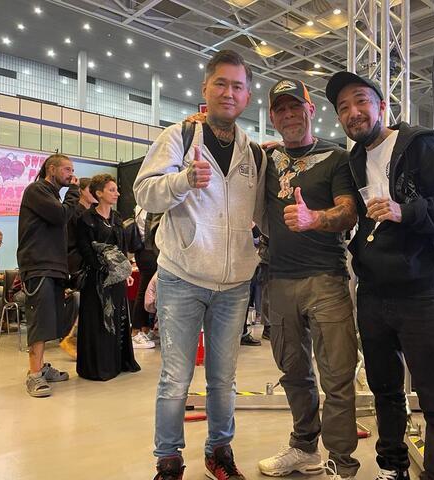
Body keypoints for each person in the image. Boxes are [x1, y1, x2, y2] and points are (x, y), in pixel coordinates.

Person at [326, 71, 434, 480]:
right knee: (385, 392)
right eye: (343, 108)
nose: (353, 113)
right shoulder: (354, 159)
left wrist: (405, 211)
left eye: (360, 101)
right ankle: (392, 467)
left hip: (420, 293)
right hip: (373, 294)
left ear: (381, 105)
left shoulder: (420, 146)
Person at [134, 49, 265, 480]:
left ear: (247, 97)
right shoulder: (178, 137)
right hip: (182, 278)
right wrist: (183, 181)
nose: (229, 92)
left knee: (223, 379)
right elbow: (145, 192)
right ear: (205, 89)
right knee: (175, 377)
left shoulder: (255, 155)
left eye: (238, 86)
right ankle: (168, 460)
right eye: (221, 83)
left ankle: (219, 452)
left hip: (234, 285)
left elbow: (263, 215)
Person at [258, 79, 360, 480]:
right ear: (272, 116)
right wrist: (198, 121)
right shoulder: (266, 158)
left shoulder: (336, 158)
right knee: (293, 372)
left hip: (326, 280)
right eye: (280, 109)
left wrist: (314, 218)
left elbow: (349, 212)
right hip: (280, 280)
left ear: (311, 109)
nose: (289, 115)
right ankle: (304, 447)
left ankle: (341, 462)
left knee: (337, 376)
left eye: (295, 107)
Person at [17, 154, 80, 398]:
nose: (71, 174)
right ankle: (34, 374)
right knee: (39, 321)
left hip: (53, 266)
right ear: (51, 169)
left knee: (52, 321)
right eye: (66, 169)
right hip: (38, 265)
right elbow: (61, 215)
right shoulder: (37, 190)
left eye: (72, 170)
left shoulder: (53, 195)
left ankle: (42, 367)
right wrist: (74, 192)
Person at [76, 174, 140, 381]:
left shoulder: (117, 217)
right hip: (97, 279)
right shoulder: (86, 219)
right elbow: (85, 250)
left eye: (116, 190)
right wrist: (105, 268)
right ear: (99, 193)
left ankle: (118, 362)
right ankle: (99, 366)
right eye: (112, 190)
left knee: (118, 317)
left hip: (117, 278)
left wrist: (125, 270)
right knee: (99, 320)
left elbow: (122, 247)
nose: (117, 193)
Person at [59, 177, 95, 359]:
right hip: (75, 262)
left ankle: (79, 338)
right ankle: (72, 338)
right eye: (91, 189)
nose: (94, 193)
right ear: (81, 191)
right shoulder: (75, 213)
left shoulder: (90, 213)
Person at [130, 205, 157, 350]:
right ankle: (136, 331)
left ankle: (145, 329)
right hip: (149, 252)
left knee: (146, 291)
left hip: (142, 252)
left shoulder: (139, 206)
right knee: (144, 292)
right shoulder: (150, 207)